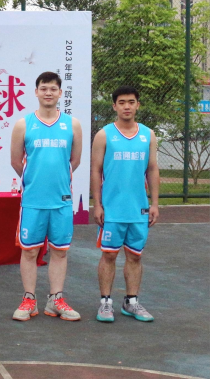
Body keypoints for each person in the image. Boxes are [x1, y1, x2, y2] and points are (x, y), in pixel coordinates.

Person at [10, 72, 83, 322]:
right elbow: (16, 162)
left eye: (53, 89)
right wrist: (34, 182)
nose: (48, 93)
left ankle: (55, 300)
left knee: (59, 252)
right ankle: (29, 300)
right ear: (36, 92)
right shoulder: (23, 124)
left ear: (60, 93)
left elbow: (75, 161)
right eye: (44, 88)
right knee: (30, 251)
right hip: (33, 201)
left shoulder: (72, 124)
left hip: (61, 201)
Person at [91, 86, 159, 322]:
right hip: (112, 209)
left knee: (135, 256)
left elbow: (152, 169)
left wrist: (155, 203)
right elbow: (95, 170)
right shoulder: (104, 135)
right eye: (122, 102)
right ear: (114, 106)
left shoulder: (148, 135)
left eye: (131, 102)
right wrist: (97, 204)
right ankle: (105, 303)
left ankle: (131, 302)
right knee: (109, 255)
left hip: (138, 209)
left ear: (138, 105)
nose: (127, 106)